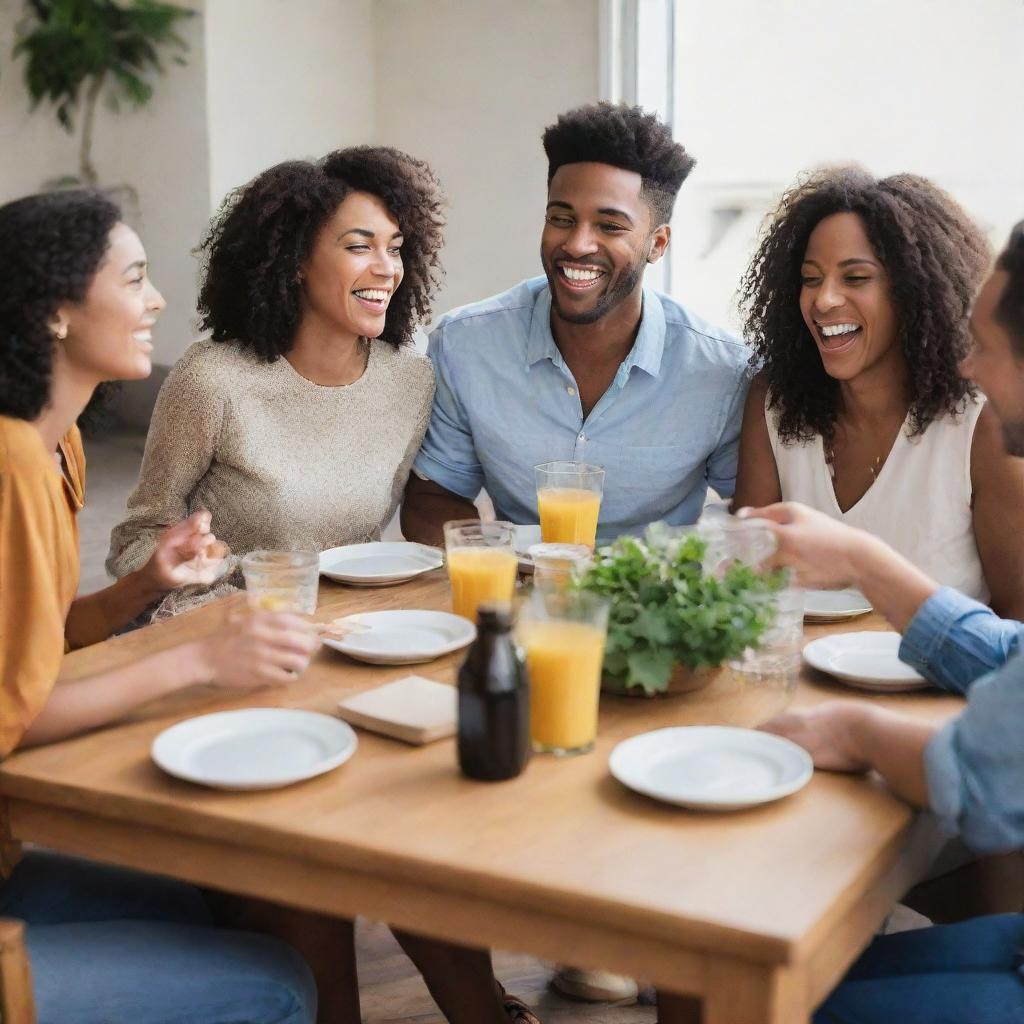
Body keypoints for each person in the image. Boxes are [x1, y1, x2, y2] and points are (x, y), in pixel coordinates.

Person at [670, 223, 1024, 1023]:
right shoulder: (782, 401)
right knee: (733, 971)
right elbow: (1013, 656)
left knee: (747, 995)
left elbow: (985, 774)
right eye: (811, 276)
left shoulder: (971, 426)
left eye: (988, 344)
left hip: (957, 816)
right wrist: (868, 563)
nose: (969, 364)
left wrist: (860, 733)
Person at [0, 189, 322, 1024]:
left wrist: (146, 588)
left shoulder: (53, 442)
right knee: (278, 985)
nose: (157, 300)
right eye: (135, 278)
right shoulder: (12, 463)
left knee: (212, 904)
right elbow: (9, 712)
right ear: (57, 310)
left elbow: (24, 650)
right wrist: (197, 659)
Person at [107, 146, 443, 613]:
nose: (387, 268)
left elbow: (367, 543)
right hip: (229, 630)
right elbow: (140, 539)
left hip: (355, 629)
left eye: (395, 247)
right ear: (296, 260)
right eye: (359, 246)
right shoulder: (213, 379)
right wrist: (239, 610)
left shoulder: (410, 380)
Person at [401, 102, 750, 549]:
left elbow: (752, 515)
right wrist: (504, 561)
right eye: (561, 219)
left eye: (609, 226)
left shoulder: (722, 371)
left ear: (657, 243)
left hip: (656, 604)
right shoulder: (465, 346)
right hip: (524, 593)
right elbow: (433, 497)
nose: (578, 244)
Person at [733, 167, 1024, 617]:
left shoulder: (981, 424)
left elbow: (1018, 625)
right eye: (811, 278)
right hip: (801, 681)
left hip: (944, 685)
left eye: (855, 278)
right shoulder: (774, 402)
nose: (824, 299)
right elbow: (745, 579)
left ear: (912, 292)